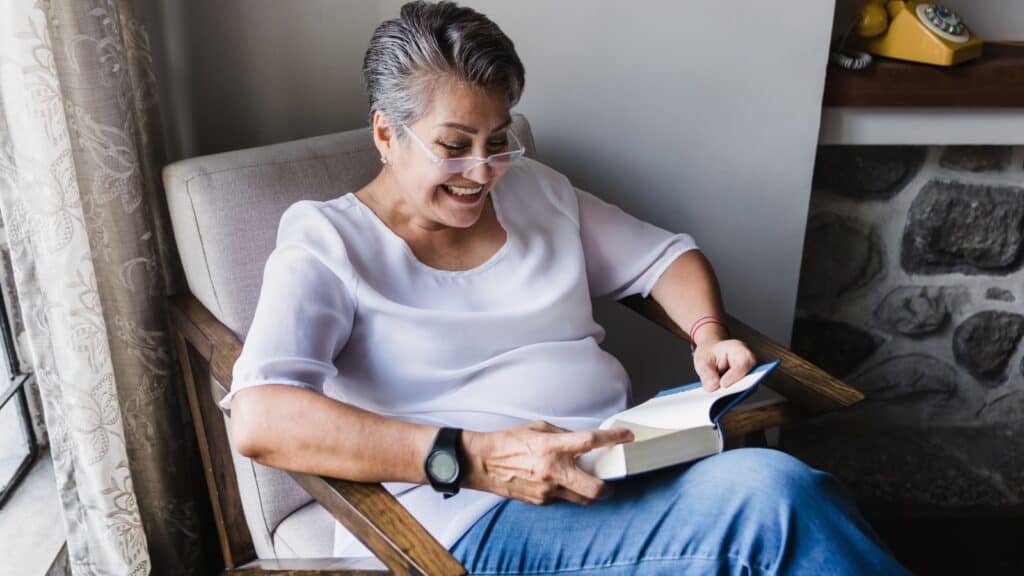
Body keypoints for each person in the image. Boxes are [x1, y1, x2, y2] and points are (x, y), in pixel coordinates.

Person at [225, 2, 909, 574]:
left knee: (788, 493)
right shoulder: (329, 243)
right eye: (455, 145)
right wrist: (472, 459)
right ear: (386, 133)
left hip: (618, 470)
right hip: (472, 521)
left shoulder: (537, 193)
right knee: (772, 501)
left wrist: (708, 334)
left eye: (498, 141)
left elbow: (668, 258)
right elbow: (261, 418)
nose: (484, 170)